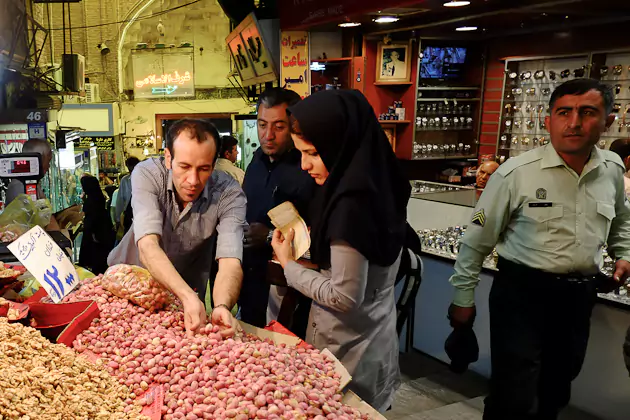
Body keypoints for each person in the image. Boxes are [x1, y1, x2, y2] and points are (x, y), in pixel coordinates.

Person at [448, 78, 630, 420]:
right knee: (513, 394)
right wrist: (462, 301)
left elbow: (622, 218)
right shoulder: (515, 174)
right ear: (548, 121)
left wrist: (625, 253)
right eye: (564, 112)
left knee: (558, 386)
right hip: (522, 294)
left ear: (608, 121)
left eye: (587, 112)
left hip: (578, 297)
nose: (574, 122)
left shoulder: (612, 170)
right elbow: (475, 241)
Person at [271, 89, 410, 411]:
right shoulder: (380, 181)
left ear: (340, 146)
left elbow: (344, 297)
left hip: (348, 352)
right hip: (375, 335)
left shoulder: (351, 207)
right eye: (300, 154)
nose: (304, 165)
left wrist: (288, 265)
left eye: (313, 153)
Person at [108, 119, 246, 337]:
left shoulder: (229, 193)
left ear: (214, 163)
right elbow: (147, 245)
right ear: (168, 158)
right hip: (124, 290)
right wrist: (187, 296)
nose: (193, 180)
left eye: (204, 169)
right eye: (184, 167)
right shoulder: (148, 174)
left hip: (181, 305)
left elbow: (230, 261)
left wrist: (221, 306)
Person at [240, 87, 315, 330]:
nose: (268, 135)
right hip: (250, 279)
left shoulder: (309, 168)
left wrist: (269, 236)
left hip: (290, 288)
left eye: (279, 127)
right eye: (262, 125)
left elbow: (318, 240)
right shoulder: (256, 162)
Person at [5, 138, 61, 231]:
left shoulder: (34, 184)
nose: (49, 166)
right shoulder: (19, 186)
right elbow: (28, 225)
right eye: (48, 160)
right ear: (40, 159)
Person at [78, 175, 115, 275]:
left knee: (95, 259)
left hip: (96, 233)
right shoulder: (98, 196)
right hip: (101, 232)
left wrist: (92, 233)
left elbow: (93, 218)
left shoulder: (92, 200)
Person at [115, 157, 141, 235]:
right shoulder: (125, 181)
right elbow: (120, 201)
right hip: (129, 215)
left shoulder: (144, 179)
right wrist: (118, 219)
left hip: (141, 215)